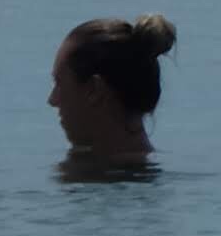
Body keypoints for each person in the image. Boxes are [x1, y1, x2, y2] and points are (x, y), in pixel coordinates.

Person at [48, 14, 178, 174]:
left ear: (94, 90)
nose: (52, 100)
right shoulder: (154, 175)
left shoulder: (87, 183)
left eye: (59, 84)